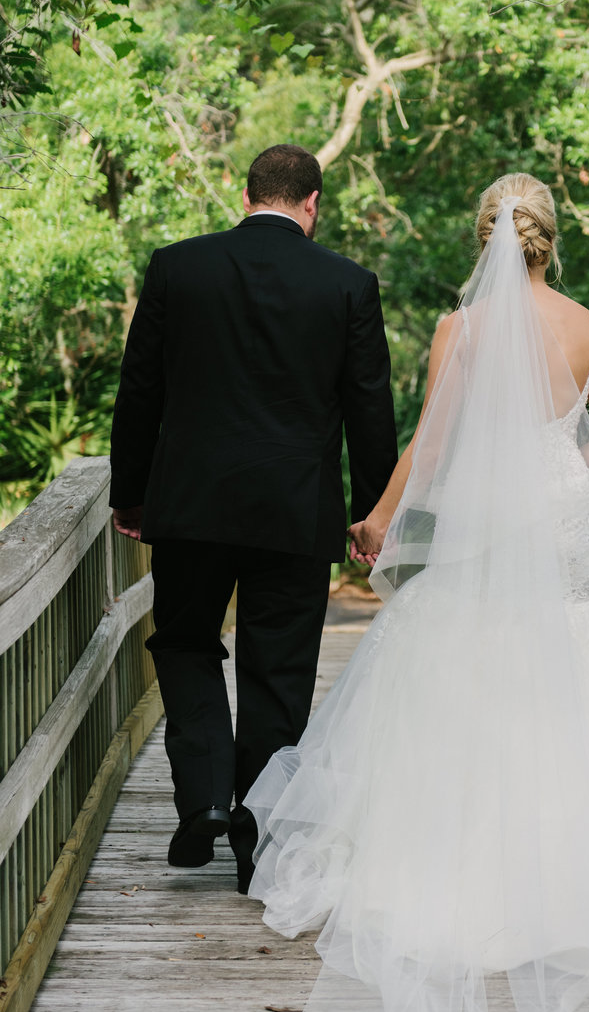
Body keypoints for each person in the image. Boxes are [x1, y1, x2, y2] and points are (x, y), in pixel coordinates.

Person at [234, 172, 589, 1012]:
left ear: (487, 240)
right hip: (555, 518)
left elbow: (433, 441)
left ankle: (450, 873)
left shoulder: (460, 329)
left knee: (459, 649)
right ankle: (579, 883)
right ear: (553, 237)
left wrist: (380, 520)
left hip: (485, 517)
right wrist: (550, 462)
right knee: (572, 652)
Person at [109, 143, 397, 894]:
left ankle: (203, 795)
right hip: (296, 512)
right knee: (280, 670)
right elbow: (370, 414)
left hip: (192, 505)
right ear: (313, 204)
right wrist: (372, 515)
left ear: (245, 196)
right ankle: (256, 837)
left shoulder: (178, 267)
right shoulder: (348, 285)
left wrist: (131, 494)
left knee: (185, 642)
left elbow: (140, 391)